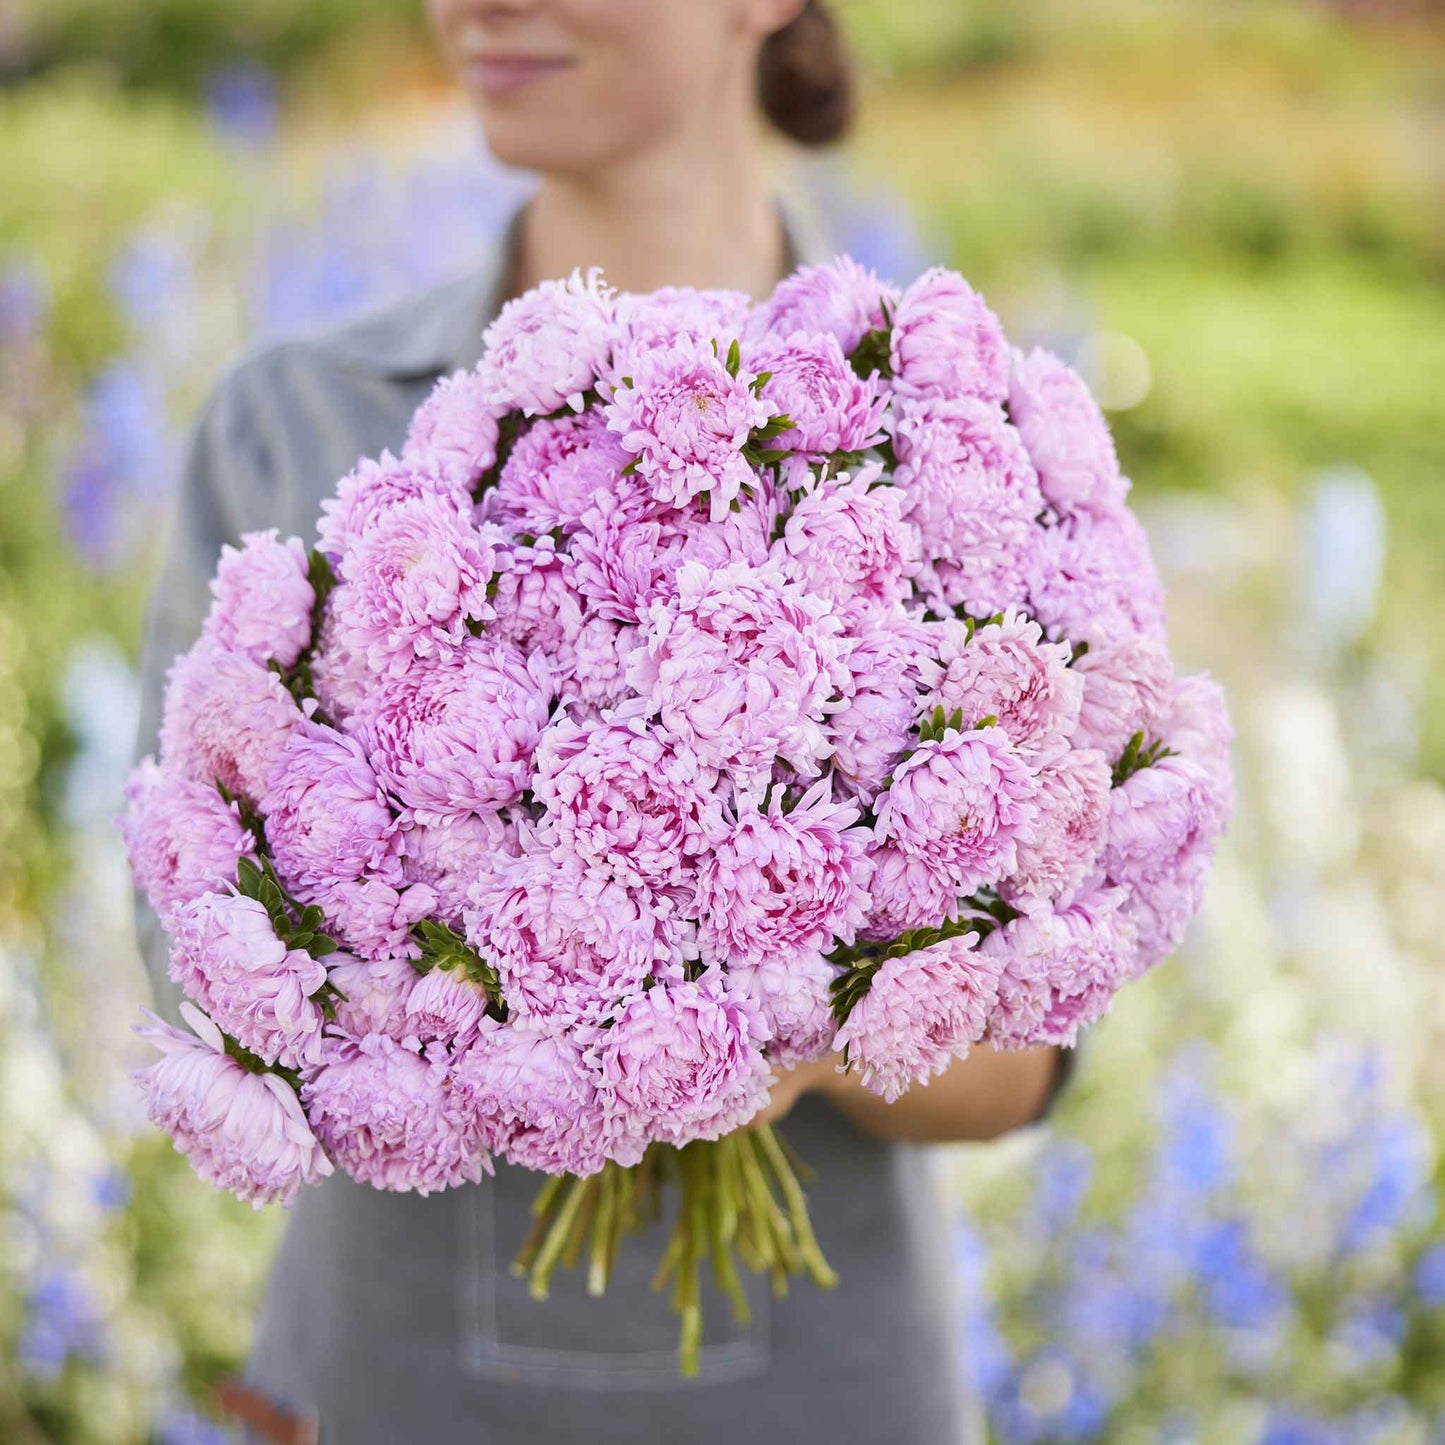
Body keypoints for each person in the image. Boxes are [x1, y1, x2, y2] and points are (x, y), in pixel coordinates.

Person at [132, 3, 1074, 1440]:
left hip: (827, 1397)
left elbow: (1040, 1041)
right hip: (393, 1383)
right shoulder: (299, 421)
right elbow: (198, 961)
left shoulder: (951, 441)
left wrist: (801, 1023)